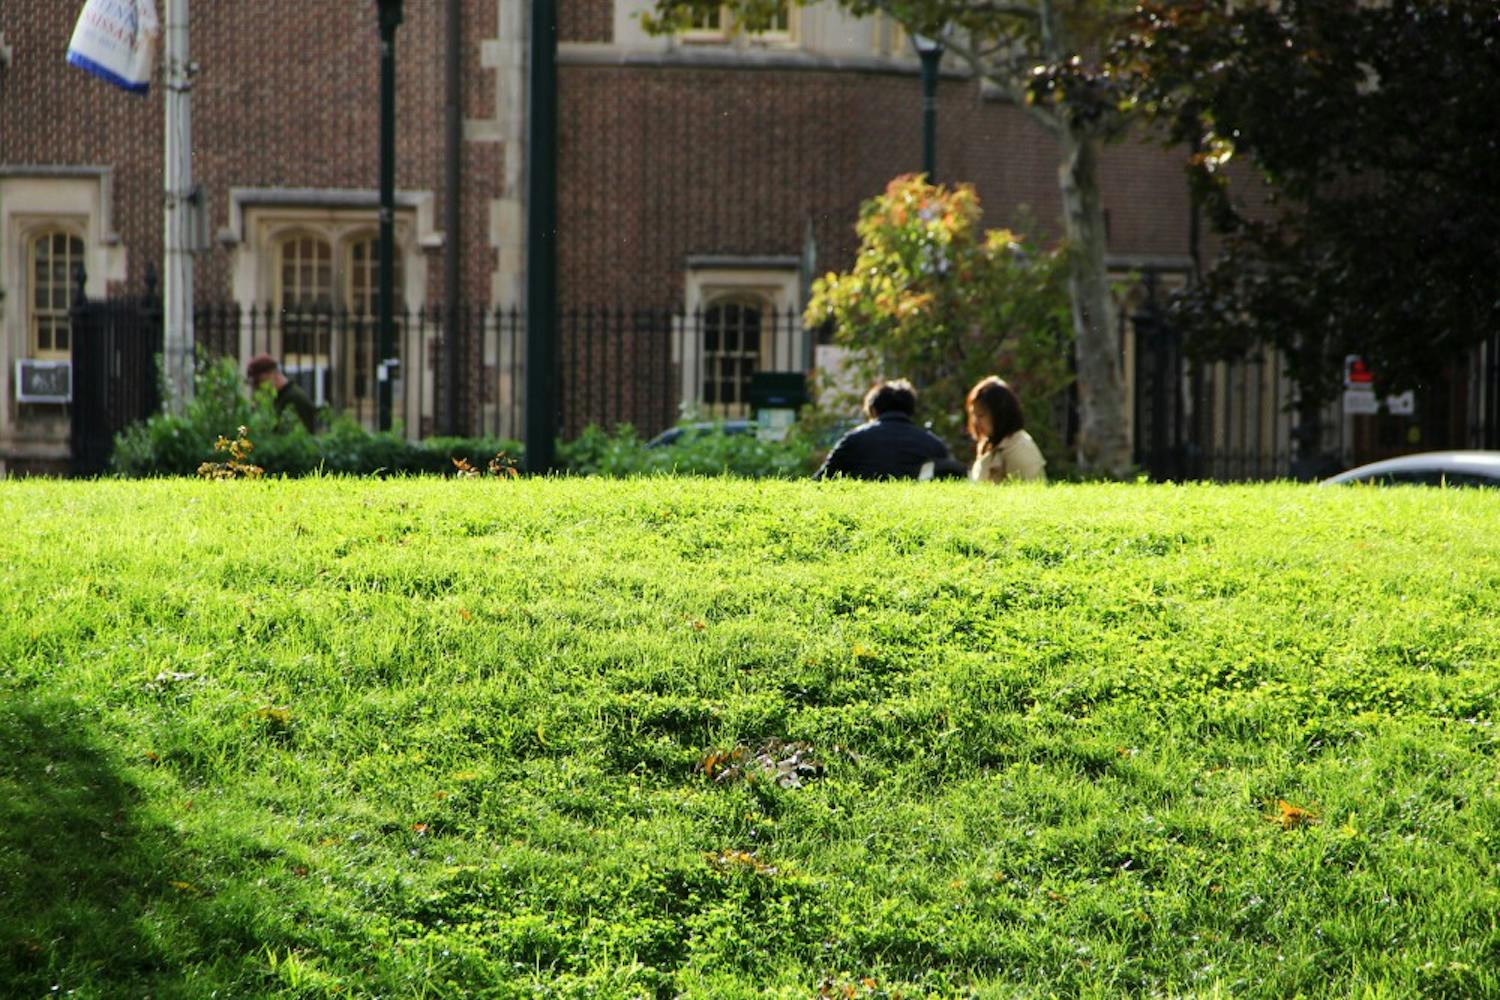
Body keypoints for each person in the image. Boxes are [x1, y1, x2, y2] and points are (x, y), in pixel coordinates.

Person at [813, 379, 964, 480]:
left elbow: (821, 480)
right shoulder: (933, 445)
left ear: (873, 410)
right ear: (911, 410)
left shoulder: (854, 440)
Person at [966, 375, 1046, 483]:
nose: (976, 422)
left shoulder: (1019, 449)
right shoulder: (990, 445)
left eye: (981, 415)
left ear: (999, 414)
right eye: (974, 415)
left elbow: (1031, 494)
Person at [245, 353, 318, 433]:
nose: (257, 388)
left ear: (272, 374)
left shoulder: (295, 398)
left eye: (259, 382)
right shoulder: (276, 397)